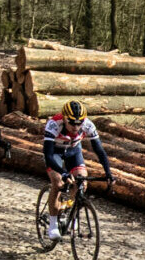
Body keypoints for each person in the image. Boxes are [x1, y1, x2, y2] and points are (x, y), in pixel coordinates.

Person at [39, 101, 113, 239]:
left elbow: (100, 151)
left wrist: (108, 172)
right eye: (72, 123)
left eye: (79, 123)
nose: (76, 126)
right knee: (58, 182)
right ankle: (53, 225)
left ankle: (72, 214)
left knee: (82, 182)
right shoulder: (54, 124)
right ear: (64, 118)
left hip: (73, 151)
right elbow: (48, 156)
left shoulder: (88, 125)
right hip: (55, 152)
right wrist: (63, 173)